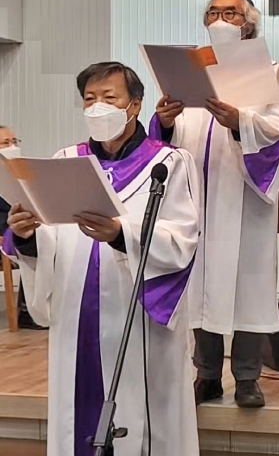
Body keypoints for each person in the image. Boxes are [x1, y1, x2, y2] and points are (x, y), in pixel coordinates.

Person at [7, 62, 201, 456]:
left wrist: (120, 234)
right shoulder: (66, 160)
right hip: (77, 313)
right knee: (78, 413)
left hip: (137, 316)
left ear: (135, 105)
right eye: (89, 99)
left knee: (145, 419)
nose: (98, 107)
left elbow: (182, 240)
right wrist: (26, 235)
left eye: (109, 98)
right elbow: (52, 234)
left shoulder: (169, 163)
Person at [151, 0, 279, 408]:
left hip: (242, 194)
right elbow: (168, 140)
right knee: (199, 284)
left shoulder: (268, 71)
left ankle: (247, 378)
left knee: (248, 286)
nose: (220, 19)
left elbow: (276, 128)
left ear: (249, 22)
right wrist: (164, 122)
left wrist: (238, 121)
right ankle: (207, 375)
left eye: (230, 12)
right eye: (213, 12)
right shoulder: (191, 71)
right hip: (195, 193)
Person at [0, 126, 44, 330]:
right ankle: (28, 310)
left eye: (14, 141)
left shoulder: (22, 172)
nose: (12, 146)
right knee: (28, 238)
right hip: (5, 228)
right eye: (5, 143)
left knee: (47, 237)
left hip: (23, 223)